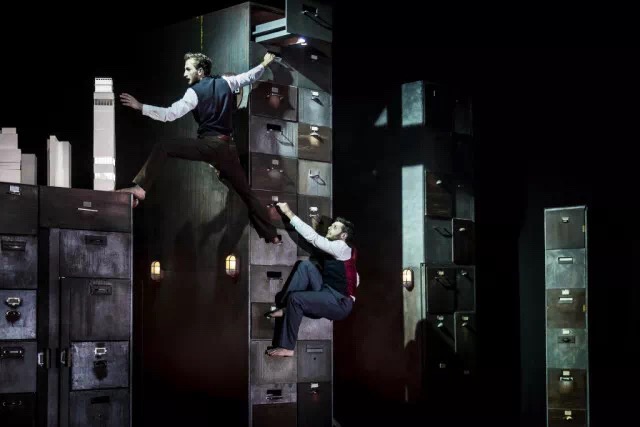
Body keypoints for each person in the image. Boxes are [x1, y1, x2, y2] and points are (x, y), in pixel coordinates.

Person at [116, 52, 281, 244]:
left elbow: (170, 114)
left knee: (163, 146)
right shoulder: (227, 82)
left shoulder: (193, 92)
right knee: (247, 193)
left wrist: (140, 106)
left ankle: (141, 188)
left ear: (200, 71)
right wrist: (264, 63)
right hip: (227, 148)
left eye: (188, 69)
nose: (184, 73)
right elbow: (250, 77)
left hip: (209, 145)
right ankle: (272, 235)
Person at [265, 202, 358, 357]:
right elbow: (355, 278)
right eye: (331, 225)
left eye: (334, 227)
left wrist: (288, 213)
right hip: (328, 292)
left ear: (343, 236)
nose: (329, 227)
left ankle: (287, 348)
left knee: (296, 299)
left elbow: (314, 239)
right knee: (306, 266)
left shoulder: (341, 247)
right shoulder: (344, 251)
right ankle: (287, 308)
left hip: (338, 304)